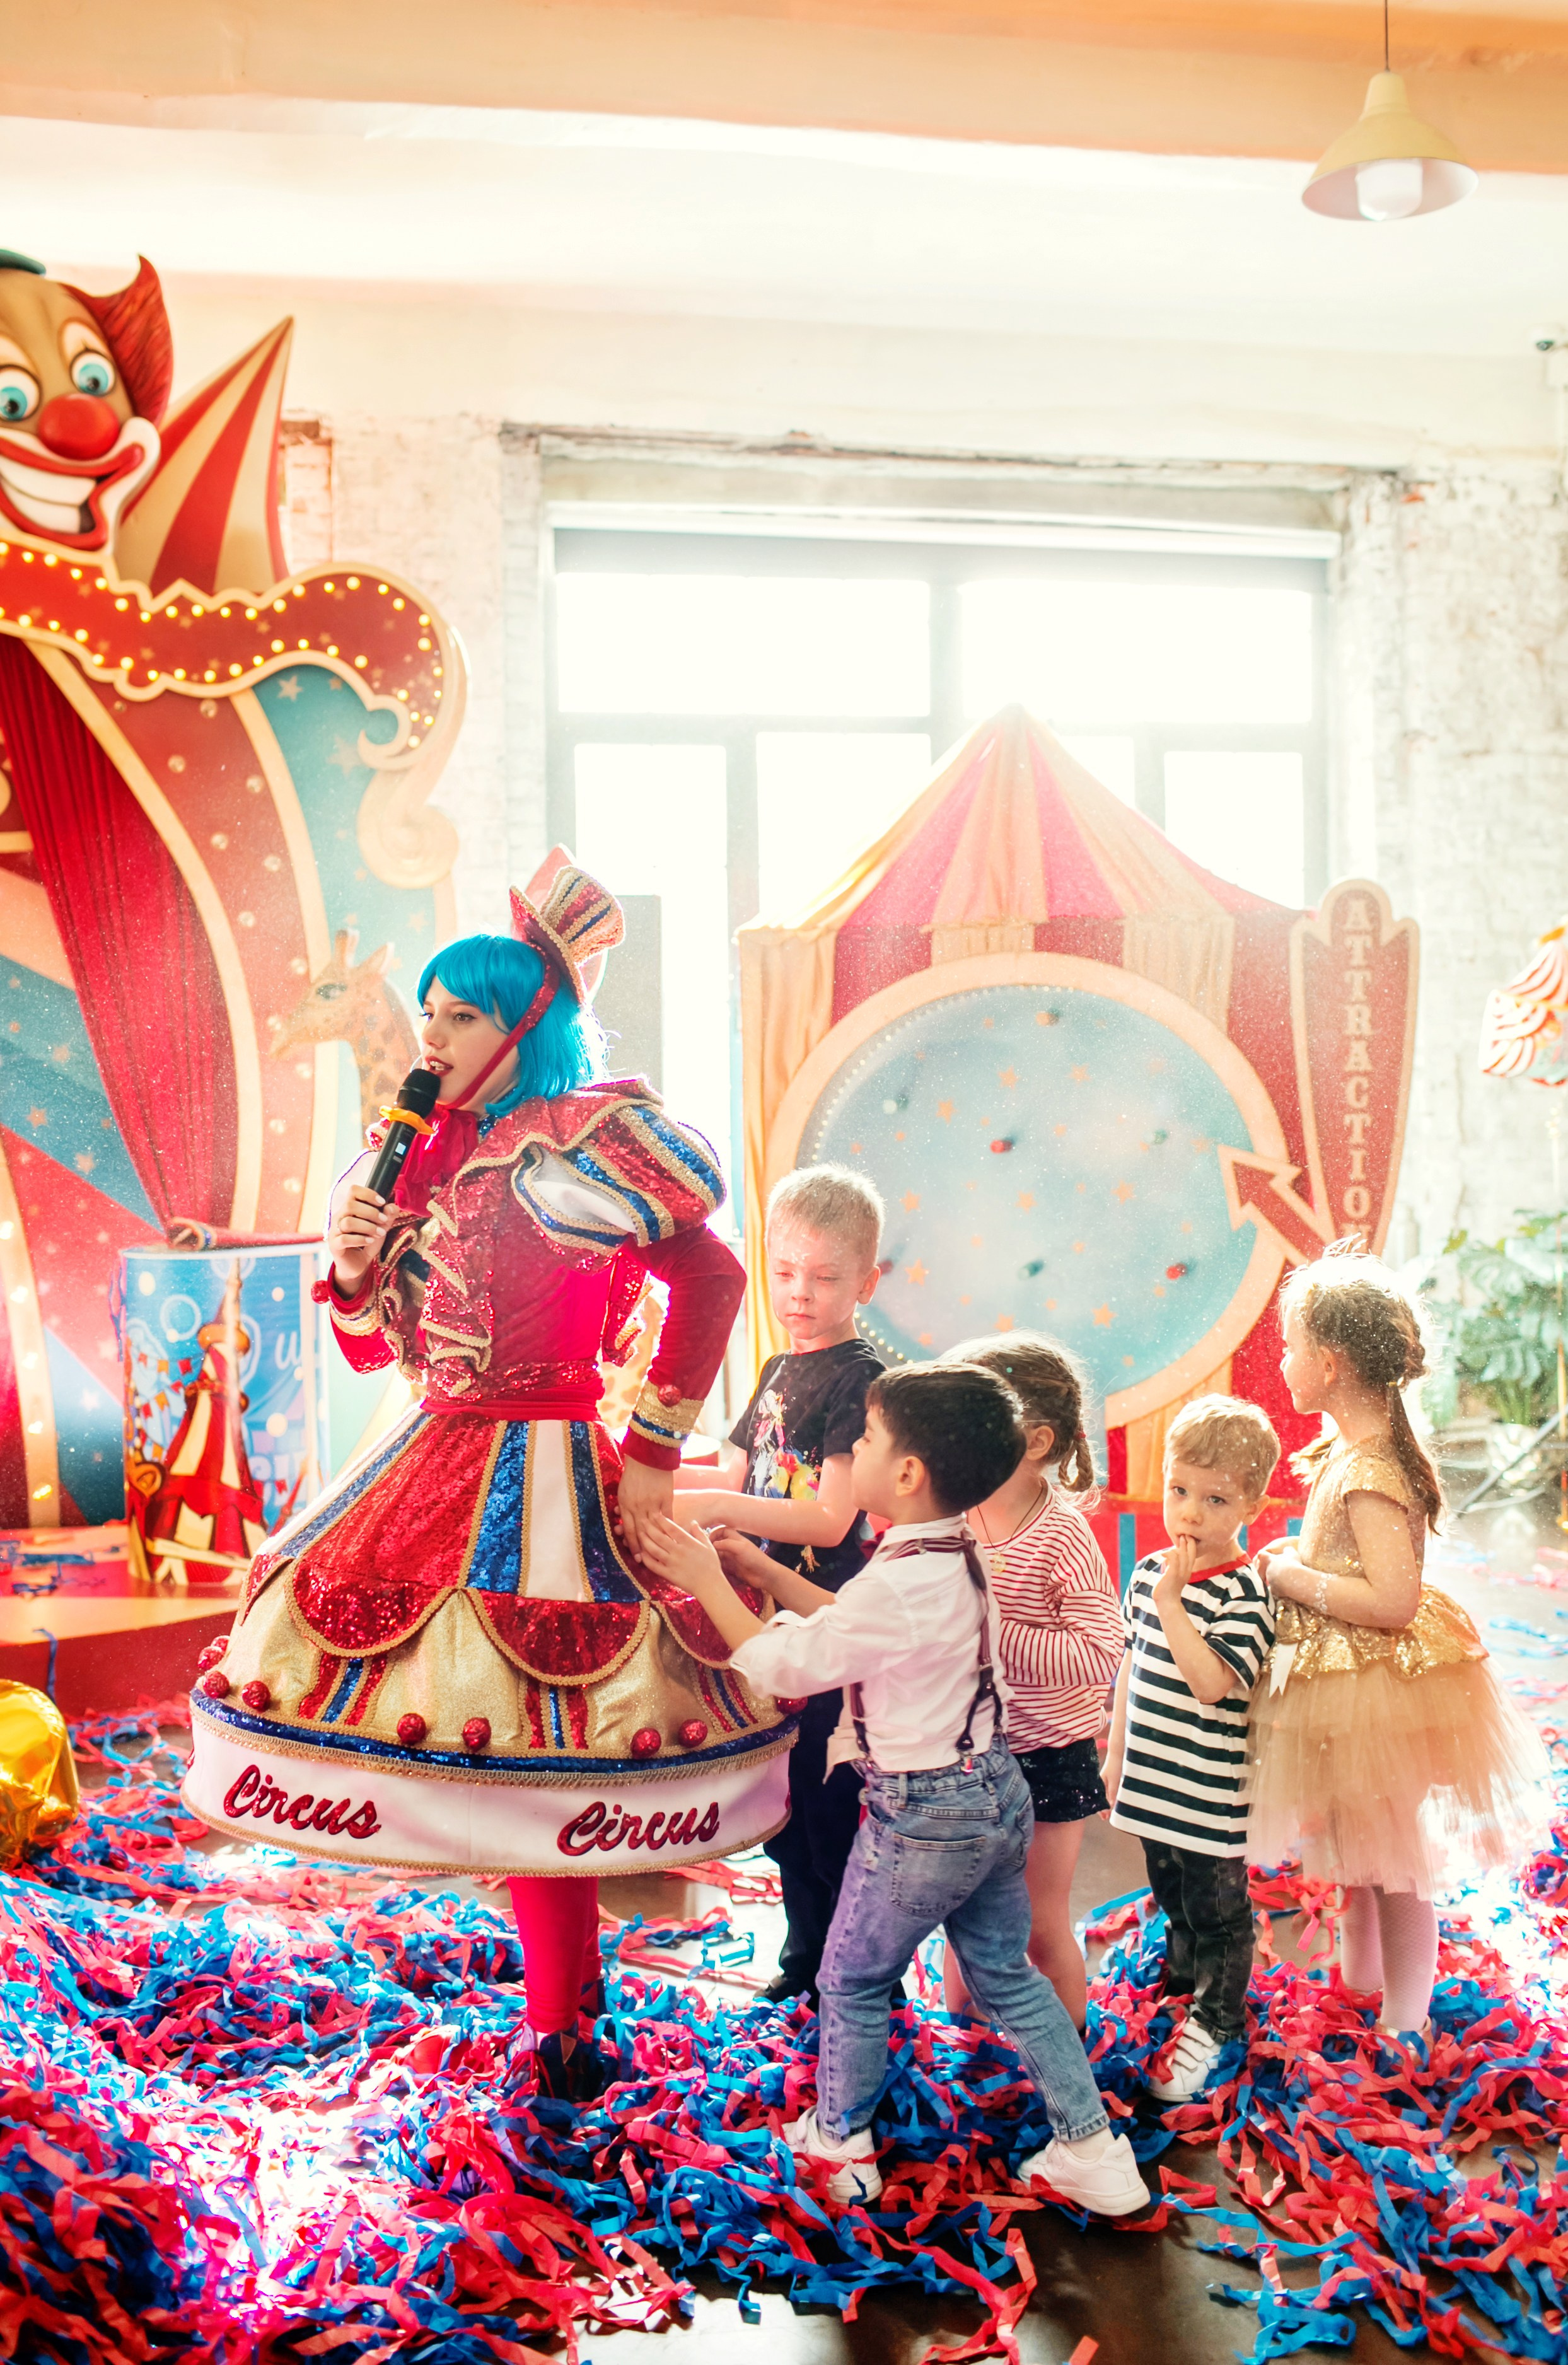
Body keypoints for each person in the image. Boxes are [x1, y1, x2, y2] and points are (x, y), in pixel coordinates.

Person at [183, 864, 793, 2103]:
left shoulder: (578, 1145)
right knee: (473, 1722)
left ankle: (567, 2020)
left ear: (527, 1025)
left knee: (548, 1731)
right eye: (429, 1017)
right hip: (432, 1450)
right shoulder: (410, 1156)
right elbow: (382, 1350)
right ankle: (559, 2011)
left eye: (460, 1017)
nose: (434, 1039)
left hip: (553, 1454)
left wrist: (652, 1458)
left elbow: (715, 1282)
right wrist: (356, 1276)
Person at [643, 1363, 1151, 2218]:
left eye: (868, 1438)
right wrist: (762, 1572)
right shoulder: (956, 1549)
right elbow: (856, 1623)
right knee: (1005, 1972)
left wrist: (705, 1581)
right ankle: (1093, 2150)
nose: (855, 1448)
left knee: (850, 1976)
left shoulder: (899, 1578)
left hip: (924, 1815)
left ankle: (841, 2147)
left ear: (908, 1472)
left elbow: (788, 1665)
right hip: (994, 1791)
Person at [1248, 1245, 1551, 2042]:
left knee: (1392, 1861)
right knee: (1355, 1851)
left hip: (1375, 1688)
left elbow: (1391, 1600)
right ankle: (1360, 1986)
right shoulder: (1350, 1454)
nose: (1281, 1361)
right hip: (1342, 1682)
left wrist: (1293, 1579)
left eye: (1291, 1346)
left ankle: (1405, 2021)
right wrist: (1296, 1556)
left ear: (1331, 1363)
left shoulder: (1373, 1469)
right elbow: (1346, 1561)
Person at [675, 1165, 885, 2005]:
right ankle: (806, 1963)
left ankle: (856, 1981)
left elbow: (832, 1519)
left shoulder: (857, 1378)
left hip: (823, 1621)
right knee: (786, 1814)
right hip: (762, 1617)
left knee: (829, 1813)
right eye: (785, 1270)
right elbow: (730, 1471)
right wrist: (632, 1478)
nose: (799, 1292)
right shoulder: (774, 1369)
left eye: (824, 1276)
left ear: (866, 1282)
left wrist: (722, 1507)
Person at [939, 1332, 1121, 2032]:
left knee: (1040, 1926)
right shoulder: (952, 1513)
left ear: (1037, 1441)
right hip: (969, 1755)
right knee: (964, 1916)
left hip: (1048, 1758)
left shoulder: (1061, 1535)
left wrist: (994, 1632)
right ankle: (964, 2052)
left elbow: (1100, 1651)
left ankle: (1069, 2062)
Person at [1105, 1396, 1281, 2102]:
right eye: (1179, 1490)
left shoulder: (1246, 1595)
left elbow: (1210, 1683)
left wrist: (1174, 1603)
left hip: (1209, 1793)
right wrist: (1115, 1753)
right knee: (1171, 1893)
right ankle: (1183, 1985)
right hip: (1154, 1779)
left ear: (1253, 1506)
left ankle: (1218, 2018)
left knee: (1219, 1912)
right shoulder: (1149, 1573)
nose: (1190, 1514)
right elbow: (1131, 1663)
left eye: (1215, 1499)